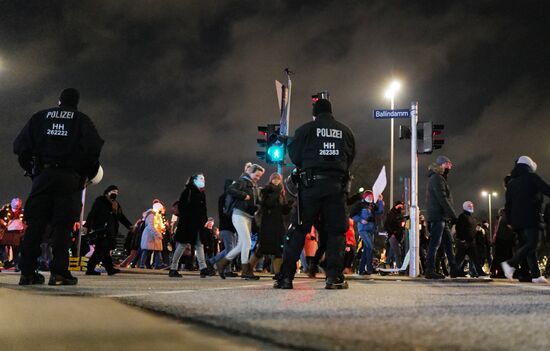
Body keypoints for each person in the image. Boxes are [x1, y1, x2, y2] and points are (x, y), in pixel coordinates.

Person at [13, 88, 104, 285]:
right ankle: (59, 273)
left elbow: (20, 146)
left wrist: (32, 170)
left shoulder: (40, 117)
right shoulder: (81, 120)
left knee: (35, 223)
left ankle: (27, 272)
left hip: (43, 175)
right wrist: (83, 174)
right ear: (76, 102)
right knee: (63, 226)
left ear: (59, 101)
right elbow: (93, 148)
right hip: (69, 177)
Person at [275, 98, 355, 289]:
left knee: (298, 231)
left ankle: (286, 277)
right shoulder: (345, 131)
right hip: (336, 187)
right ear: (331, 111)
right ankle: (334, 277)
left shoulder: (306, 130)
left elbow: (294, 156)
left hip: (310, 186)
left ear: (315, 113)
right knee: (337, 232)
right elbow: (350, 157)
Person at [501, 156, 550, 283]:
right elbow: (546, 189)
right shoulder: (532, 177)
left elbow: (508, 205)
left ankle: (535, 275)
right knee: (533, 243)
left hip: (517, 220)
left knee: (528, 247)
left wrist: (511, 222)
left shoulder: (511, 183)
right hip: (530, 216)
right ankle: (510, 264)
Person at [215, 163, 265, 280]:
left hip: (247, 216)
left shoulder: (254, 185)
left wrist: (258, 206)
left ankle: (222, 264)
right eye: (256, 175)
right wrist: (243, 195)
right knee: (246, 243)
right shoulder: (243, 181)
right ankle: (246, 271)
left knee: (241, 244)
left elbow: (257, 201)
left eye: (260, 176)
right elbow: (230, 189)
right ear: (250, 172)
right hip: (239, 215)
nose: (258, 178)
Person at [169, 174, 214, 278]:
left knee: (199, 245)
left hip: (198, 225)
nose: (203, 180)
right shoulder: (188, 191)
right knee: (182, 245)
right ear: (194, 180)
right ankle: (173, 268)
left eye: (204, 178)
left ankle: (203, 268)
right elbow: (182, 206)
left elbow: (204, 210)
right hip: (188, 224)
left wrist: (204, 221)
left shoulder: (202, 193)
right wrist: (188, 218)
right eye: (201, 178)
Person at [424, 155, 461, 279]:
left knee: (449, 243)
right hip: (438, 216)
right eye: (449, 164)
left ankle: (454, 269)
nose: (451, 166)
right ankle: (429, 270)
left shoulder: (439, 178)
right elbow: (443, 199)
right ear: (443, 165)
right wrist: (453, 216)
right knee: (435, 243)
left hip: (442, 217)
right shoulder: (437, 178)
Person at [249, 172, 292, 277]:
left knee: (279, 250)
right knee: (262, 249)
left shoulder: (281, 193)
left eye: (278, 179)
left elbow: (283, 211)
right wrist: (277, 192)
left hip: (278, 224)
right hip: (267, 223)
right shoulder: (266, 190)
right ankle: (248, 269)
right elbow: (268, 204)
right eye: (274, 179)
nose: (276, 181)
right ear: (271, 179)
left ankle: (278, 273)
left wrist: (288, 206)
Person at [84, 185, 132, 276]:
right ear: (107, 192)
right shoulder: (100, 200)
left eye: (117, 192)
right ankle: (90, 269)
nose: (115, 193)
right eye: (113, 191)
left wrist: (129, 226)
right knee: (101, 249)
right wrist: (88, 226)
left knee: (105, 250)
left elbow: (121, 217)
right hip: (101, 229)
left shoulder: (115, 204)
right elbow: (93, 212)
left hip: (111, 230)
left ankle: (109, 269)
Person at [208, 180, 238, 278]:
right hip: (227, 226)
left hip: (230, 227)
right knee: (230, 249)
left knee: (231, 249)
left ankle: (225, 268)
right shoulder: (225, 197)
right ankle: (213, 262)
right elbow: (225, 213)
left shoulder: (227, 197)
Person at [352, 190, 384, 275]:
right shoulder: (360, 205)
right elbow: (352, 215)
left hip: (371, 230)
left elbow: (380, 211)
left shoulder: (372, 205)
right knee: (370, 246)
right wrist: (361, 220)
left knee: (367, 250)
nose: (370, 198)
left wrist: (380, 201)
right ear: (365, 197)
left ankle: (362, 270)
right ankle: (369, 268)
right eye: (369, 196)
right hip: (363, 230)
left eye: (372, 196)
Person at [454, 201, 479, 277]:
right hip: (464, 242)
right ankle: (454, 272)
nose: (471, 207)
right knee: (459, 258)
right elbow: (458, 227)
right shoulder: (462, 216)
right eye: (469, 206)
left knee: (475, 258)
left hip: (471, 241)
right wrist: (461, 238)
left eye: (472, 205)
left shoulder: (471, 217)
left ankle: (479, 271)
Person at [139, 202, 166, 269]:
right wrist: (158, 234)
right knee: (147, 250)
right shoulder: (151, 215)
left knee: (156, 250)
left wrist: (161, 229)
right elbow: (150, 226)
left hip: (153, 234)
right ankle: (142, 264)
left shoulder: (155, 215)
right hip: (150, 234)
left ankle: (158, 264)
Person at [384, 201, 407, 270]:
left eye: (401, 206)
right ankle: (400, 268)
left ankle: (387, 263)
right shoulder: (391, 214)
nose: (400, 208)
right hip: (393, 236)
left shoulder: (398, 214)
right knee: (397, 252)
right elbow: (387, 225)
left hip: (397, 236)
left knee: (392, 251)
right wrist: (392, 233)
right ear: (396, 206)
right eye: (399, 206)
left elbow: (399, 224)